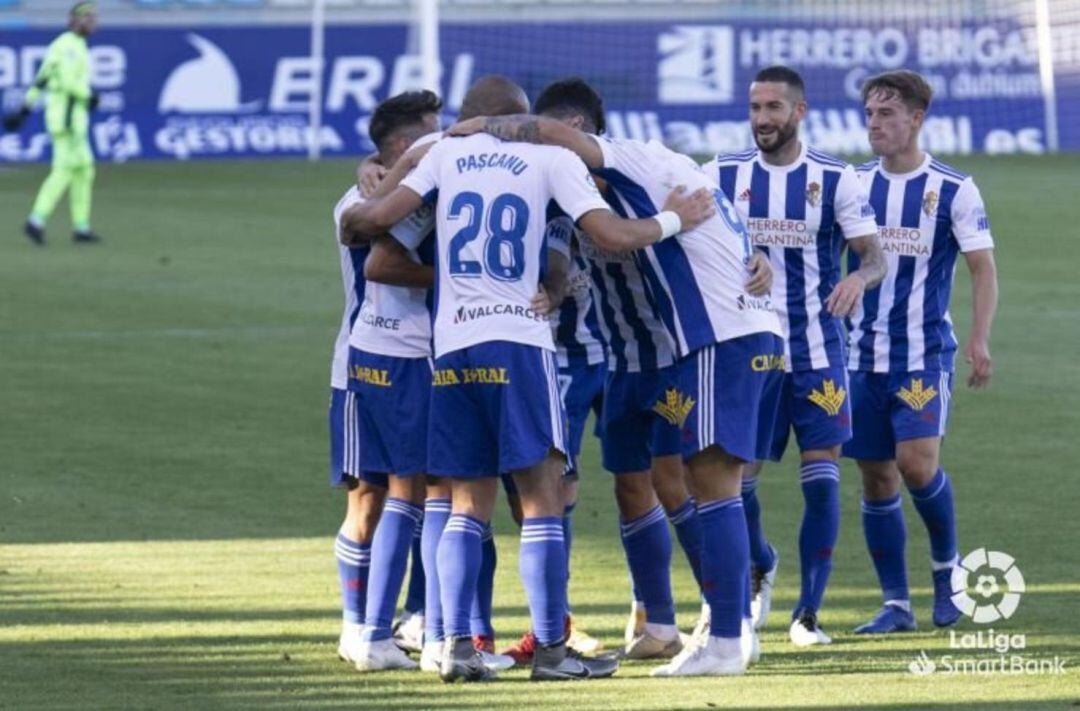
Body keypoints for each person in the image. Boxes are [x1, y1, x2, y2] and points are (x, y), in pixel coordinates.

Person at [342, 75, 715, 682]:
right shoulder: (549, 157)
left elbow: (365, 224)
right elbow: (613, 235)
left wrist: (377, 175)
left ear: (466, 120)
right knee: (542, 495)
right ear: (518, 118)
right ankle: (551, 651)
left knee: (466, 502)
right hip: (518, 340)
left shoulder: (441, 155)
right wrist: (675, 218)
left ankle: (455, 646)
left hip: (453, 347)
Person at [447, 76, 784, 677]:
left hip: (712, 336)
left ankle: (727, 628)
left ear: (574, 134)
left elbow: (553, 140)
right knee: (675, 481)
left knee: (704, 480)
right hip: (654, 349)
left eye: (540, 142)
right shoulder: (570, 191)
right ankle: (696, 627)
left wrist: (473, 128)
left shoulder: (635, 158)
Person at [702, 66, 885, 647]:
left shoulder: (836, 179)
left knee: (823, 478)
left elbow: (874, 256)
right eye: (756, 107)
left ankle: (807, 614)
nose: (762, 119)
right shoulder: (722, 174)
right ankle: (759, 563)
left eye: (774, 108)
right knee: (740, 481)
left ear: (799, 112)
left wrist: (860, 278)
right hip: (748, 348)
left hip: (817, 347)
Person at [845, 70, 998, 634]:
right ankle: (895, 605)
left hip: (923, 352)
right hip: (859, 356)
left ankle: (946, 573)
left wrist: (979, 338)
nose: (874, 125)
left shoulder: (955, 189)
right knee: (876, 477)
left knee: (915, 464)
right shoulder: (854, 185)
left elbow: (982, 268)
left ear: (916, 118)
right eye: (869, 114)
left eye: (886, 114)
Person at [345, 91, 442, 672]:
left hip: (370, 354)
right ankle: (382, 631)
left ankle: (394, 625)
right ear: (406, 147)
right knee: (419, 495)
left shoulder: (364, 190)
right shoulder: (399, 198)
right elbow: (381, 262)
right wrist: (463, 278)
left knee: (406, 496)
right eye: (434, 131)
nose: (445, 138)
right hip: (407, 356)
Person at [3, 2, 103, 245]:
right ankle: (35, 221)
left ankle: (81, 227)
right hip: (66, 118)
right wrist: (88, 94)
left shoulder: (67, 45)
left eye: (94, 17)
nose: (93, 22)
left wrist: (26, 107)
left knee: (84, 169)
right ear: (76, 20)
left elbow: (42, 78)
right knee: (64, 170)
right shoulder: (68, 46)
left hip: (72, 118)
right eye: (88, 17)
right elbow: (68, 82)